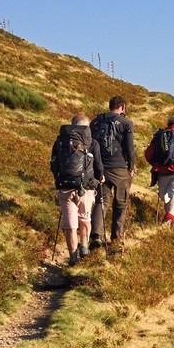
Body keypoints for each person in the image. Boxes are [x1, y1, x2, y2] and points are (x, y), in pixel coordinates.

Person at [51, 112, 104, 265]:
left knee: (70, 225)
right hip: (86, 188)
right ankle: (85, 246)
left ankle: (73, 258)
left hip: (66, 187)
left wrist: (59, 179)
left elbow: (54, 163)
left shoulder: (60, 141)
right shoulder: (93, 143)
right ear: (87, 127)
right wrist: (100, 177)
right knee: (85, 219)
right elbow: (99, 167)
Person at [89, 95, 135, 251]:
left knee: (101, 201)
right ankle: (116, 237)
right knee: (120, 203)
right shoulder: (126, 123)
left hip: (99, 167)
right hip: (120, 168)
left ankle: (96, 235)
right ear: (122, 107)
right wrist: (131, 166)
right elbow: (129, 148)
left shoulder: (96, 121)